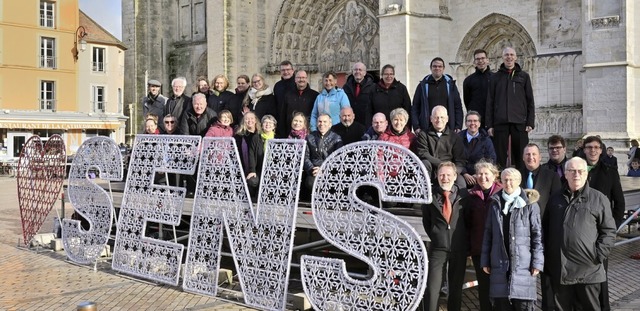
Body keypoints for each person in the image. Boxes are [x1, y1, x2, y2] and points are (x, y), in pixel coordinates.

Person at [544, 157, 616, 311]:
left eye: (580, 171)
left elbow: (609, 231)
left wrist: (598, 255)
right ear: (565, 173)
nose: (576, 174)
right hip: (561, 271)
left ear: (586, 174)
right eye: (572, 171)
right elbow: (546, 229)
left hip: (589, 270)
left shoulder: (599, 199)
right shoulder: (555, 198)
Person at [481, 168, 543, 311]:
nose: (508, 183)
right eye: (505, 180)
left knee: (523, 306)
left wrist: (537, 262)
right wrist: (485, 260)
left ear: (519, 181)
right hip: (499, 263)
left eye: (512, 179)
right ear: (501, 182)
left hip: (523, 265)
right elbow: (488, 234)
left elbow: (537, 236)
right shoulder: (495, 204)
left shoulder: (530, 205)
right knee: (501, 305)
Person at [583, 136, 625, 311]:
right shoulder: (576, 169)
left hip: (601, 232)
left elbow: (619, 203)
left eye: (596, 147)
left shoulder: (610, 171)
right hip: (581, 232)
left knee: (601, 273)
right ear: (584, 149)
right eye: (589, 147)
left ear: (601, 150)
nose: (592, 150)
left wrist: (612, 228)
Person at [421, 161, 468, 311]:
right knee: (433, 289)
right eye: (442, 175)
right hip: (438, 248)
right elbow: (426, 221)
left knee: (455, 289)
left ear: (455, 176)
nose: (445, 178)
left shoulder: (464, 196)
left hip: (458, 248)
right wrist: (436, 235)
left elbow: (469, 221)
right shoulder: (430, 195)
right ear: (436, 176)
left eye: (448, 175)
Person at [485, 47, 535, 171]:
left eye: (512, 55)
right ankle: (500, 184)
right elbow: (490, 102)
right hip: (500, 122)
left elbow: (530, 100)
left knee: (521, 156)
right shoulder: (495, 77)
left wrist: (530, 122)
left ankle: (522, 184)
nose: (509, 57)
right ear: (503, 57)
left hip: (519, 122)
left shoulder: (524, 76)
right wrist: (489, 125)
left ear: (516, 57)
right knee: (499, 156)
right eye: (506, 55)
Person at [463, 160, 502, 311]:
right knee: (484, 289)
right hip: (479, 249)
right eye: (479, 173)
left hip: (499, 250)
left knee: (500, 288)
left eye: (487, 174)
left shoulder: (502, 193)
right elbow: (467, 224)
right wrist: (469, 249)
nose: (483, 177)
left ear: (494, 176)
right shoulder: (471, 196)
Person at [415, 105, 467, 186]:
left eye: (442, 117)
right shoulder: (423, 135)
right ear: (431, 119)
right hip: (431, 169)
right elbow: (423, 153)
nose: (439, 120)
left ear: (447, 119)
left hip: (450, 171)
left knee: (461, 183)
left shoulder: (455, 137)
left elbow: (460, 160)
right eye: (436, 117)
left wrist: (453, 171)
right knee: (424, 163)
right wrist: (441, 165)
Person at [411, 57, 463, 134]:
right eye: (434, 66)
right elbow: (415, 107)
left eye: (440, 66)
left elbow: (457, 106)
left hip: (448, 129)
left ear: (443, 68)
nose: (437, 68)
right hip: (427, 129)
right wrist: (416, 127)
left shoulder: (450, 85)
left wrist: (458, 126)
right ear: (431, 68)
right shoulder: (422, 86)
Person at [303, 114, 343, 190]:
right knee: (310, 182)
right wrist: (312, 169)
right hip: (313, 170)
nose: (322, 124)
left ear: (330, 124)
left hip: (330, 171)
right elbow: (305, 157)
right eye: (320, 121)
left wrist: (323, 170)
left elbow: (337, 159)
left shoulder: (336, 138)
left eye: (325, 122)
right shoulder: (310, 137)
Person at [458, 111, 496, 186]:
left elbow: (491, 159)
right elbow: (455, 157)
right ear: (465, 123)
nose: (472, 123)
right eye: (469, 121)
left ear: (479, 124)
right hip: (462, 173)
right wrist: (465, 173)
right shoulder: (458, 138)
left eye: (475, 121)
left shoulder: (486, 140)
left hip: (481, 174)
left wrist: (478, 174)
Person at [279, 70, 319, 137]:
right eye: (299, 77)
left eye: (303, 77)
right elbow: (283, 115)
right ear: (295, 79)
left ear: (307, 79)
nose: (301, 79)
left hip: (308, 134)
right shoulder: (288, 95)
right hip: (289, 133)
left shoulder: (315, 95)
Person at [247, 115, 277, 198]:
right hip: (258, 169)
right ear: (262, 125)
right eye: (265, 122)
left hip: (272, 170)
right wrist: (252, 170)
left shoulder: (277, 138)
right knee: (253, 181)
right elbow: (251, 154)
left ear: (274, 126)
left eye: (270, 123)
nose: (267, 124)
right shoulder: (256, 137)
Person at [463, 49, 493, 129]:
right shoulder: (468, 80)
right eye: (477, 59)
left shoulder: (495, 78)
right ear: (474, 62)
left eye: (483, 58)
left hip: (492, 120)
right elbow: (467, 101)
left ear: (487, 60)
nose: (480, 61)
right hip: (476, 121)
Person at [343, 62, 375, 127]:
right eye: (355, 70)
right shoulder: (346, 87)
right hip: (350, 123)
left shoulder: (373, 87)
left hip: (366, 123)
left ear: (365, 73)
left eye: (360, 70)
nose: (357, 71)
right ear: (352, 72)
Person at [274, 60, 297, 126]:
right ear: (280, 72)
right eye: (283, 70)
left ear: (292, 71)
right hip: (281, 121)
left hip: (295, 120)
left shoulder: (298, 84)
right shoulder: (277, 86)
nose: (286, 72)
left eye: (288, 69)